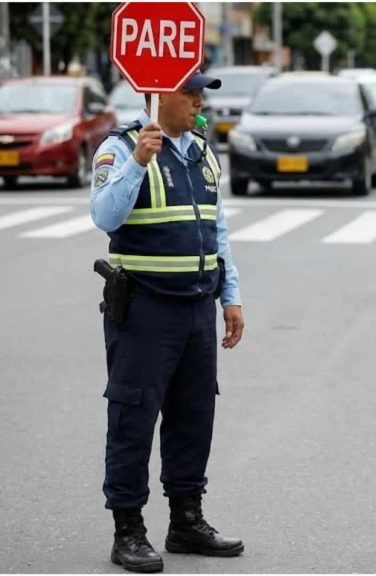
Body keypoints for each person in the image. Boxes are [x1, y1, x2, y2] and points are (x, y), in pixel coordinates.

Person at [90, 72, 245, 573]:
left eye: (201, 92)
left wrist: (230, 295)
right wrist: (138, 162)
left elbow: (217, 229)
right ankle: (128, 530)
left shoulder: (201, 151)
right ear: (157, 96)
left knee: (193, 416)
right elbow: (105, 216)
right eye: (189, 92)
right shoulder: (121, 147)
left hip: (197, 306)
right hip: (145, 308)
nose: (199, 101)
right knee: (133, 418)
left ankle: (186, 520)